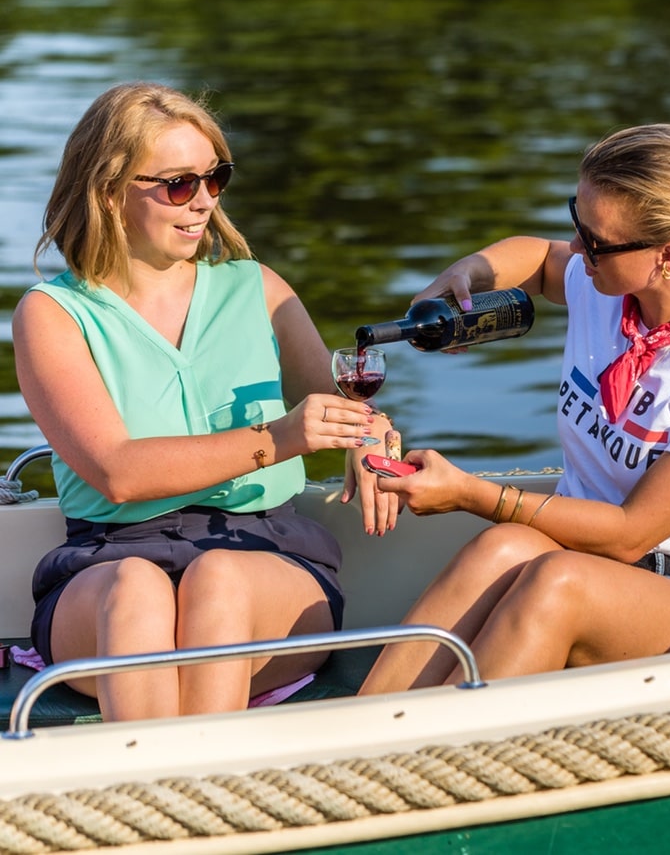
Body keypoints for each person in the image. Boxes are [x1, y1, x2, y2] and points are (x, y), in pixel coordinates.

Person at [12, 81, 398, 721]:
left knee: (217, 575)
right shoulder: (53, 314)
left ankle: (201, 789)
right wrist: (281, 439)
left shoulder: (260, 289)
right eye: (177, 185)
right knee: (137, 589)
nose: (202, 203)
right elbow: (117, 471)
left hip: (264, 550)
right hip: (108, 557)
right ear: (110, 192)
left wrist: (372, 437)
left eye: (215, 179)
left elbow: (345, 405)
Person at [360, 123, 670, 691]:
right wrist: (460, 278)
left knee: (557, 580)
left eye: (595, 241)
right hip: (592, 562)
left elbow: (629, 534)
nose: (579, 250)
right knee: (503, 546)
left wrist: (467, 492)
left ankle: (433, 760)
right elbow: (537, 259)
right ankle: (357, 738)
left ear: (668, 256)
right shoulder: (606, 281)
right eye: (576, 222)